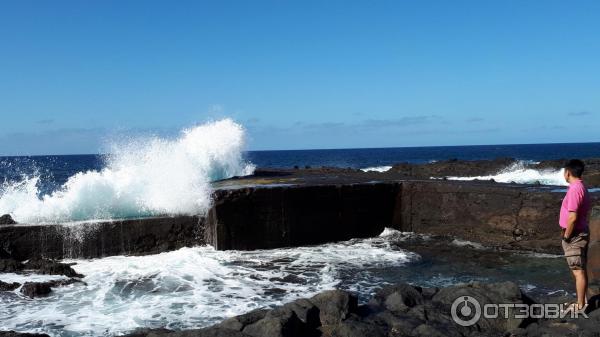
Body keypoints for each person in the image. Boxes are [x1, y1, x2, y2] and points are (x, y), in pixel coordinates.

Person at [560, 159, 591, 312]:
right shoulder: (581, 187)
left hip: (575, 235)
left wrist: (566, 236)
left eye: (564, 172)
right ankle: (582, 300)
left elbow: (572, 217)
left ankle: (580, 305)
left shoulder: (574, 189)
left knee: (578, 270)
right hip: (580, 232)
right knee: (580, 269)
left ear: (568, 172)